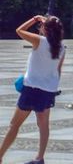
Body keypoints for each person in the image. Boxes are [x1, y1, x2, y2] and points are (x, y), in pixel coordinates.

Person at [0, 15, 65, 164]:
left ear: (44, 28)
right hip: (48, 91)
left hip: (32, 89)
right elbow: (58, 71)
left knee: (14, 124)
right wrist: (53, 88)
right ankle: (40, 157)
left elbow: (19, 30)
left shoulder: (39, 41)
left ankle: (0, 156)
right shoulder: (61, 48)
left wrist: (34, 19)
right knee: (43, 125)